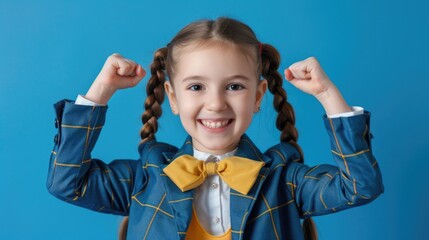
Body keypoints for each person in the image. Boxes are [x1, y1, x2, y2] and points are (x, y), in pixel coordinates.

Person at [47, 17, 383, 240]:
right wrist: (99, 92)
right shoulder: (145, 178)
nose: (216, 103)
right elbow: (66, 183)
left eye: (234, 86)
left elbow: (360, 186)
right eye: (196, 87)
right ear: (172, 98)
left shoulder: (285, 182)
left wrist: (327, 94)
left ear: (258, 97)